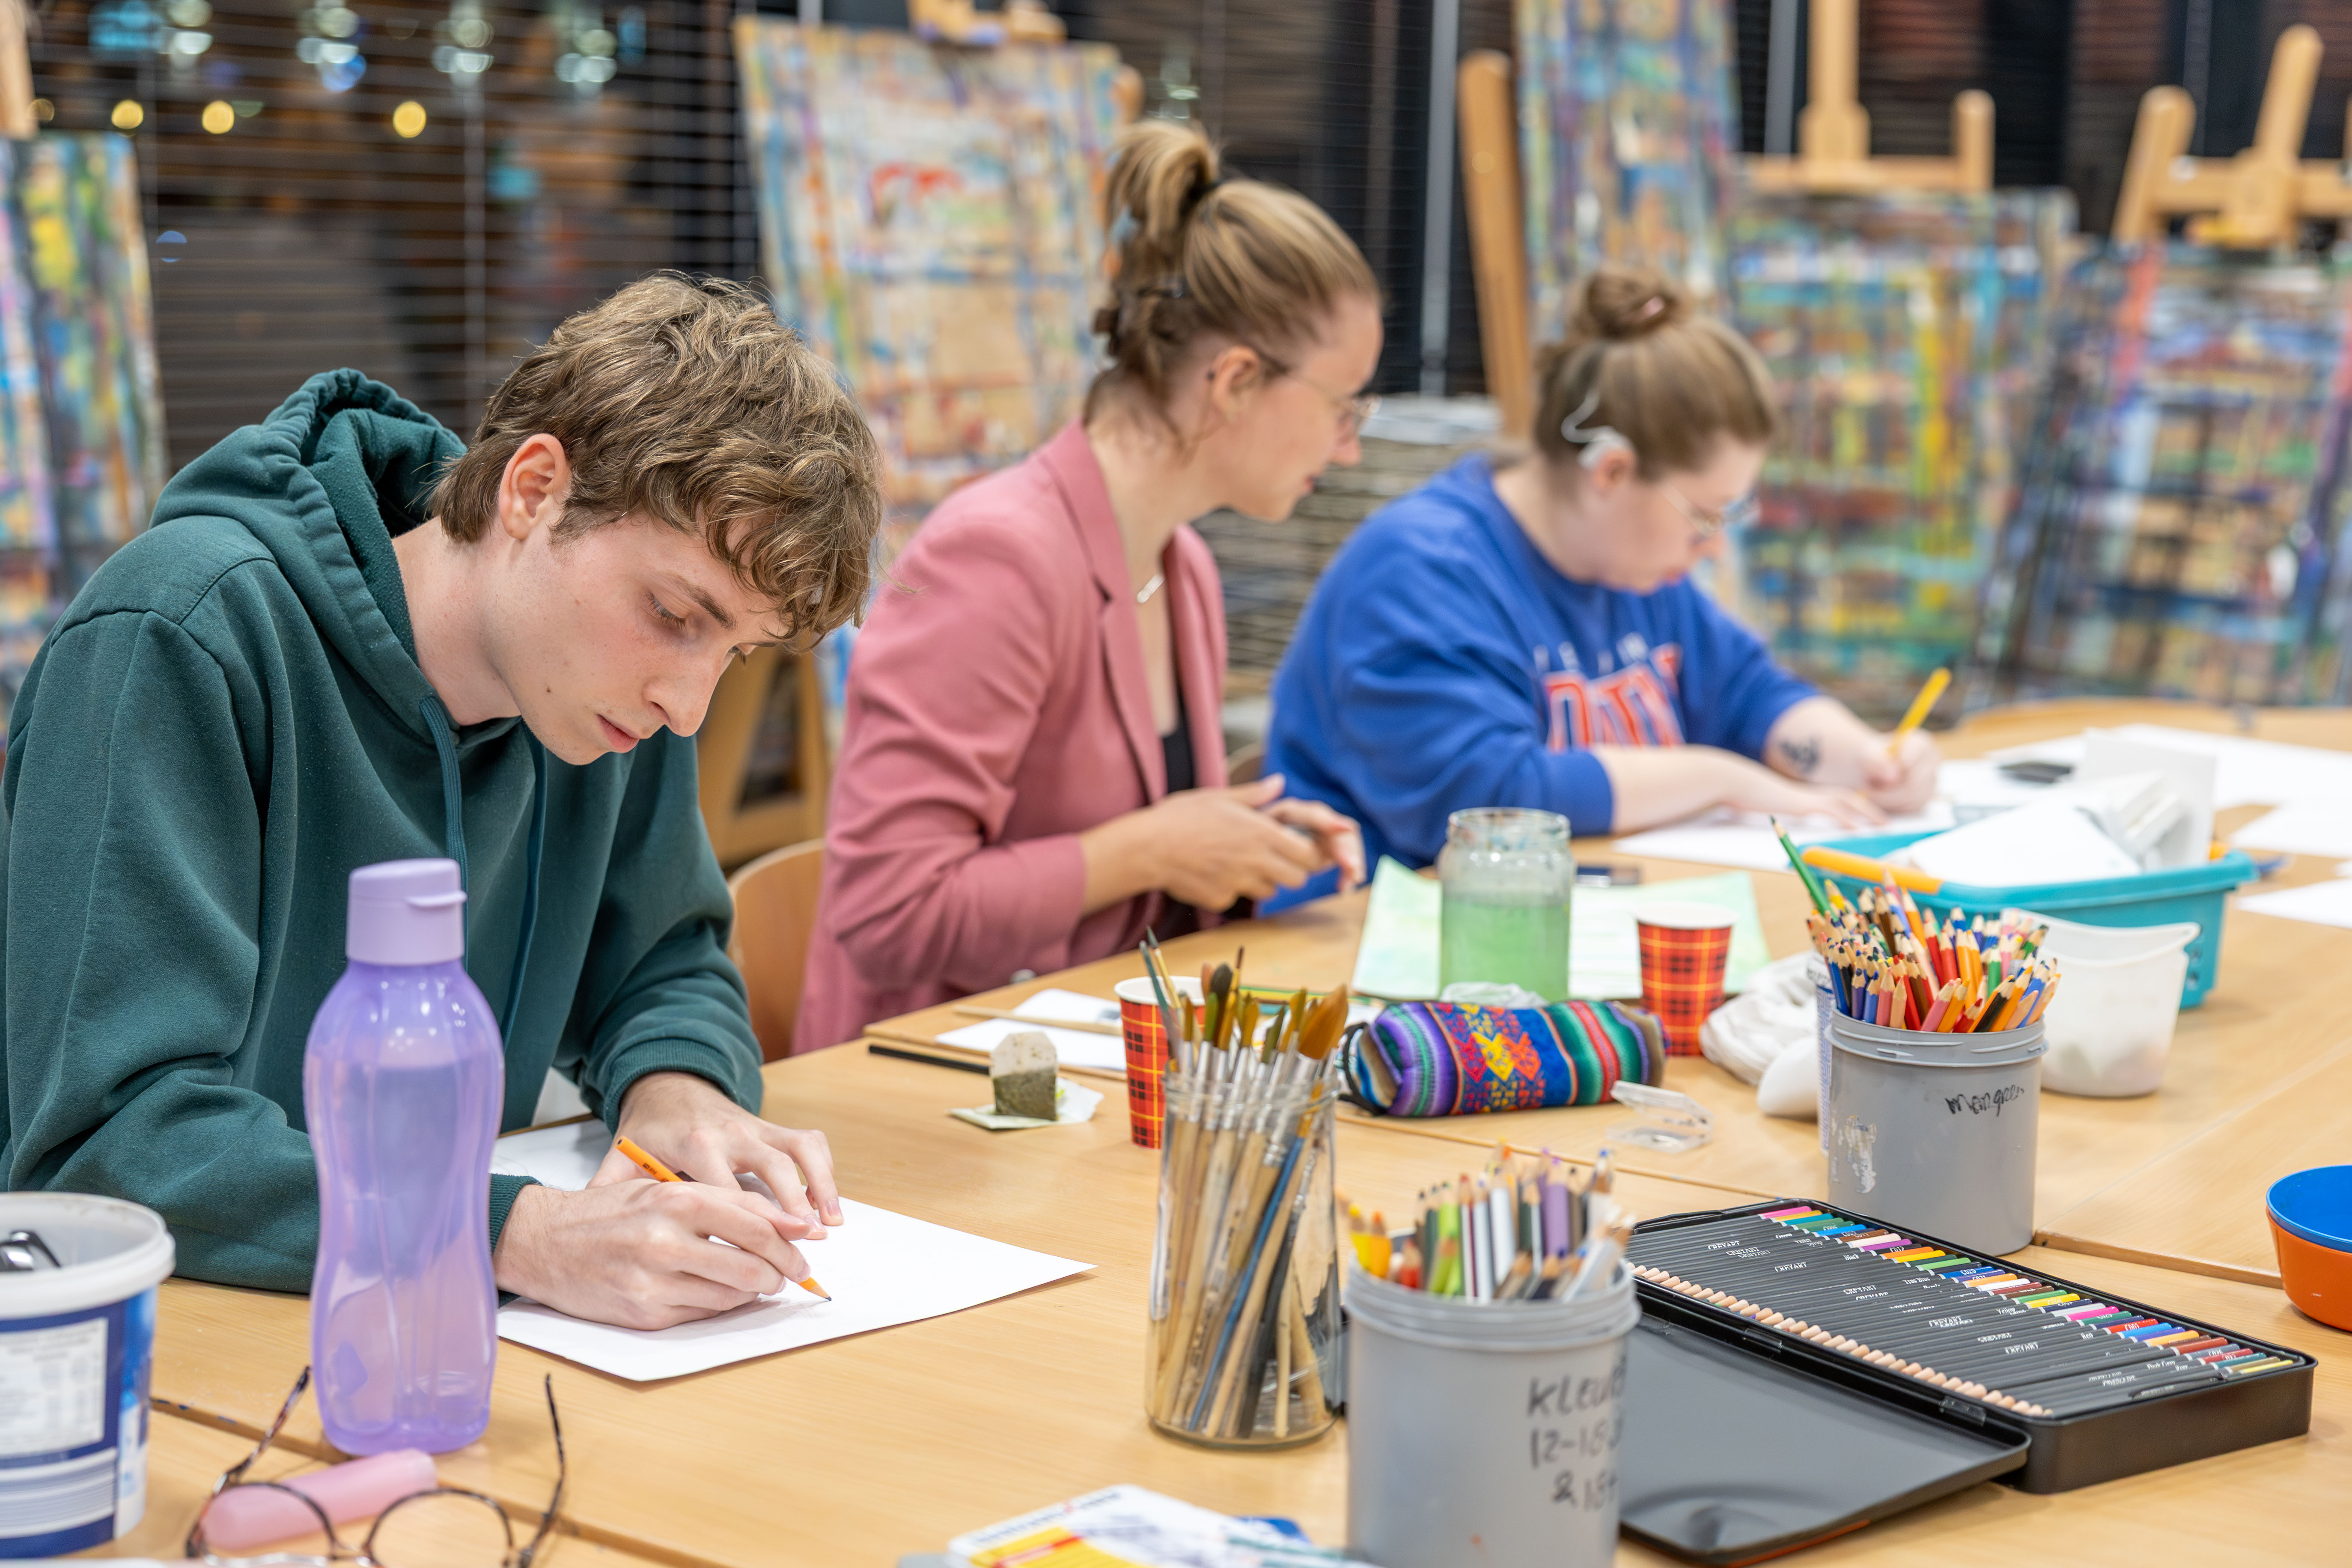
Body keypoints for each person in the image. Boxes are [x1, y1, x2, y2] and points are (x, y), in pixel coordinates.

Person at [1, 276, 881, 1330]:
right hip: (159, 1339)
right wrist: (516, 1234)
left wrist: (677, 1083)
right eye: (674, 613)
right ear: (534, 488)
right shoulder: (180, 638)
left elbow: (662, 963)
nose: (688, 706)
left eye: (732, 653)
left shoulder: (600, 698)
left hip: (430, 1337)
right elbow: (109, 1141)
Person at [796, 121, 1373, 1051]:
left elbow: (1130, 868)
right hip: (927, 1093)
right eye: (1344, 406)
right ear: (1231, 380)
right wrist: (1155, 847)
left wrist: (1239, 840)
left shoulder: (1180, 565)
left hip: (1089, 1072)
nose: (1350, 445)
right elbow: (886, 909)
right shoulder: (996, 556)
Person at [1262, 265, 1938, 891]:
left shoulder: (1634, 568)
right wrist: (1725, 779)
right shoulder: (1420, 570)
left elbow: (1749, 694)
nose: (1712, 548)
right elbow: (1488, 801)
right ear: (1611, 472)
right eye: (1703, 516)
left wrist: (1864, 758)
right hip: (1376, 969)